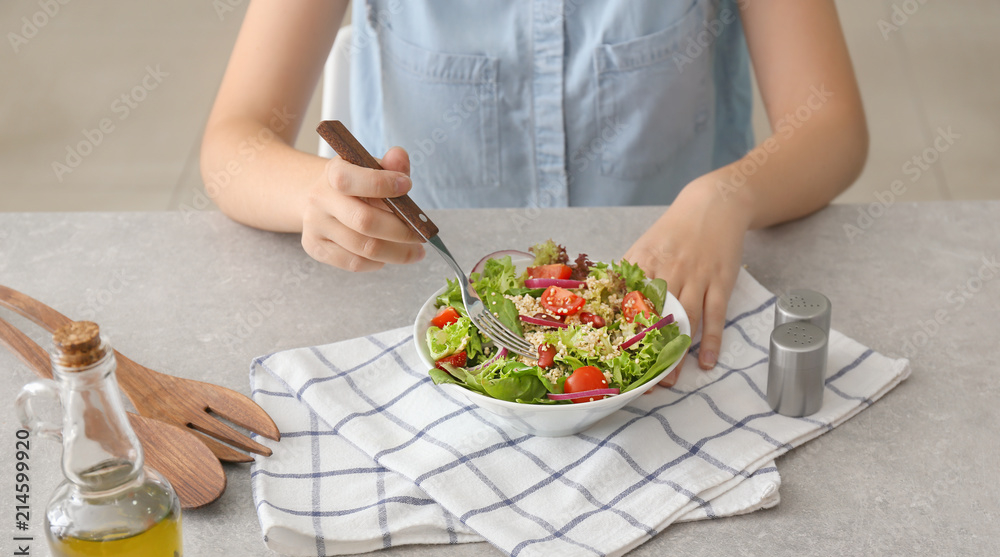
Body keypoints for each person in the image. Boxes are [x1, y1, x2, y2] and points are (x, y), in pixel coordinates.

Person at [201, 0, 867, 386]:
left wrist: (730, 196)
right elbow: (233, 142)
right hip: (420, 340)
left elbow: (832, 125)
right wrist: (315, 192)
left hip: (680, 333)